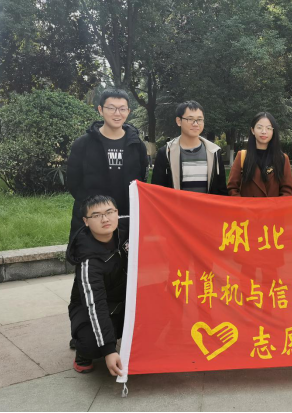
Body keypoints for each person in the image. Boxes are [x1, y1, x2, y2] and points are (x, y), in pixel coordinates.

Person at [67, 88, 149, 241]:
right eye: (111, 108)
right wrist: (92, 208)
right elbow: (73, 181)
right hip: (93, 217)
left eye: (122, 109)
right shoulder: (83, 144)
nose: (117, 114)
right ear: (100, 110)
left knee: (125, 255)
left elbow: (142, 179)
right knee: (91, 254)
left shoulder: (137, 145)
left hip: (127, 216)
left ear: (128, 111)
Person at [67, 195, 129, 376]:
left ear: (117, 213)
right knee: (93, 345)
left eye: (109, 212)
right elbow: (95, 305)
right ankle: (82, 349)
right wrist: (109, 350)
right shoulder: (88, 260)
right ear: (86, 221)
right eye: (96, 215)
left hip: (124, 300)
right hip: (90, 307)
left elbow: (155, 215)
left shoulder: (126, 226)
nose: (105, 219)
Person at [151, 101, 228, 195]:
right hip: (176, 204)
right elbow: (157, 191)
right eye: (190, 119)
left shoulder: (214, 152)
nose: (195, 124)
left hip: (206, 205)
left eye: (199, 119)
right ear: (179, 121)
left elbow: (222, 190)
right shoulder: (166, 153)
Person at [228, 112, 292, 197]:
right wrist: (243, 204)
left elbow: (287, 191)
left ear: (273, 131)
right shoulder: (242, 156)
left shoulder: (282, 158)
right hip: (247, 205)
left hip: (273, 206)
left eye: (268, 128)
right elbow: (232, 188)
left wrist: (275, 205)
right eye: (259, 127)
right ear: (253, 130)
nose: (264, 132)